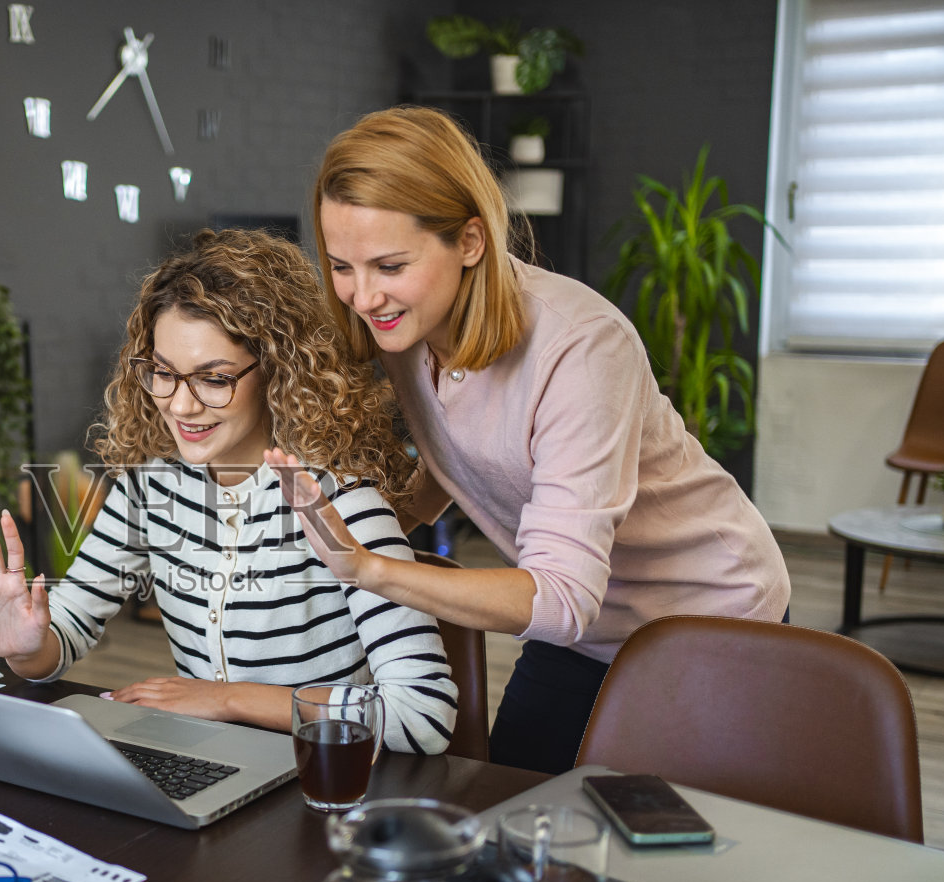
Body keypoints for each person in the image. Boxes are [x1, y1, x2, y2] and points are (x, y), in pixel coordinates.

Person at [265, 106, 791, 774]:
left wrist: (373, 569)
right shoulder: (405, 320)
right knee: (510, 803)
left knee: (663, 848)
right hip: (574, 618)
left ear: (471, 242)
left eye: (389, 265)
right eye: (343, 266)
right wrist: (381, 522)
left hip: (705, 615)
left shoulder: (580, 346)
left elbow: (564, 598)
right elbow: (461, 446)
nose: (364, 297)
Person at [0, 228, 460, 754]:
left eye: (214, 378)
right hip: (210, 763)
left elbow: (423, 715)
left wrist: (229, 699)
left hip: (323, 775)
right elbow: (67, 627)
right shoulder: (150, 486)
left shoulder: (340, 499)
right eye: (163, 372)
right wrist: (27, 648)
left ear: (278, 372)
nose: (180, 406)